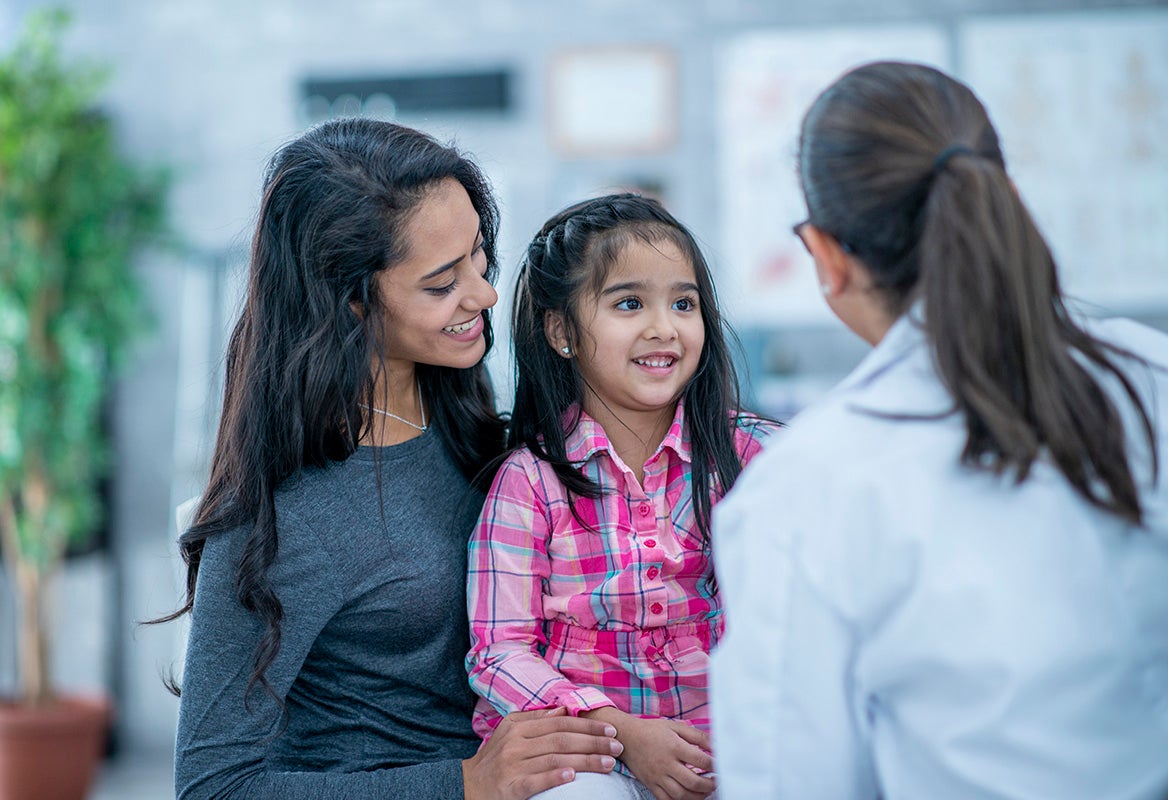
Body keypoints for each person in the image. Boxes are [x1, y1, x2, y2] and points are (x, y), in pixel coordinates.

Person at [711, 60, 1168, 800]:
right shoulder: (1152, 379)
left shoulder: (808, 488)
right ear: (1010, 199)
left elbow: (786, 780)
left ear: (826, 258)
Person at [164, 118, 622, 800]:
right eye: (442, 284)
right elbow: (213, 788)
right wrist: (463, 783)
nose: (485, 294)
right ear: (348, 300)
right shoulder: (283, 516)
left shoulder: (459, 413)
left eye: (479, 258)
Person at [465, 194, 780, 800]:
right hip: (588, 752)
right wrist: (622, 732)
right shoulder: (530, 481)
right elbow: (498, 651)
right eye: (630, 303)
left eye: (683, 303)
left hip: (730, 749)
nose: (664, 327)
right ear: (561, 331)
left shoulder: (751, 459)